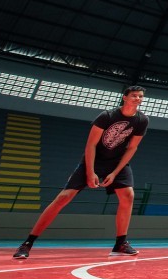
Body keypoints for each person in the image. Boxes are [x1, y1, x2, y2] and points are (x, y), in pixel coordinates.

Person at [12, 85, 149, 259]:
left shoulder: (142, 120)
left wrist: (115, 172)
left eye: (140, 97)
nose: (138, 99)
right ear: (124, 97)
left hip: (116, 162)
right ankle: (27, 243)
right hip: (93, 160)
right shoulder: (107, 116)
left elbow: (132, 148)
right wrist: (91, 172)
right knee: (63, 198)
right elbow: (91, 145)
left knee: (128, 195)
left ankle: (120, 243)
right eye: (134, 96)